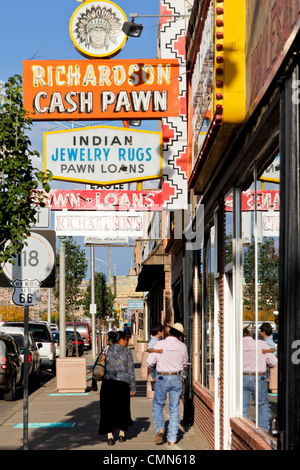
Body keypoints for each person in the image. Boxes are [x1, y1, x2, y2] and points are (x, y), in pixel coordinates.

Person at [147, 322, 188, 446]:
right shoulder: (182, 346)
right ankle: (172, 438)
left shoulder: (160, 344)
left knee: (158, 404)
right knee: (174, 408)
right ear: (180, 336)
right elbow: (185, 363)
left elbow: (150, 362)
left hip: (162, 377)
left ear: (169, 332)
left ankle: (160, 428)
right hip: (176, 377)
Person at [98, 330, 136, 445]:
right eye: (126, 339)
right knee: (122, 408)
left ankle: (110, 436)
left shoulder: (106, 350)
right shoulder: (127, 352)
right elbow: (131, 370)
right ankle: (121, 434)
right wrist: (133, 386)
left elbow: (100, 365)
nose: (127, 342)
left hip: (108, 383)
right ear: (120, 340)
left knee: (107, 409)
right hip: (122, 384)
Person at [243, 328, 277, 433]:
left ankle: (244, 429)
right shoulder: (261, 344)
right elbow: (273, 362)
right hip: (259, 377)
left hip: (242, 376)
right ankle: (263, 431)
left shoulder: (237, 345)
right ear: (250, 334)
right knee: (262, 405)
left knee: (242, 407)